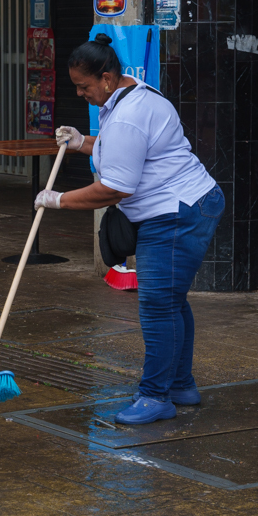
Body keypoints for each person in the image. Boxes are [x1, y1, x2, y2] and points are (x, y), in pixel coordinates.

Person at [36, 35, 222, 425]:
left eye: (84, 86)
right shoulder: (130, 95)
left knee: (157, 305)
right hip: (186, 203)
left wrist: (58, 200)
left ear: (106, 78)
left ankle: (156, 397)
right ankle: (180, 385)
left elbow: (115, 188)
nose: (80, 93)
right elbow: (121, 149)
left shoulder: (127, 115)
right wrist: (82, 141)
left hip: (176, 212)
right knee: (171, 300)